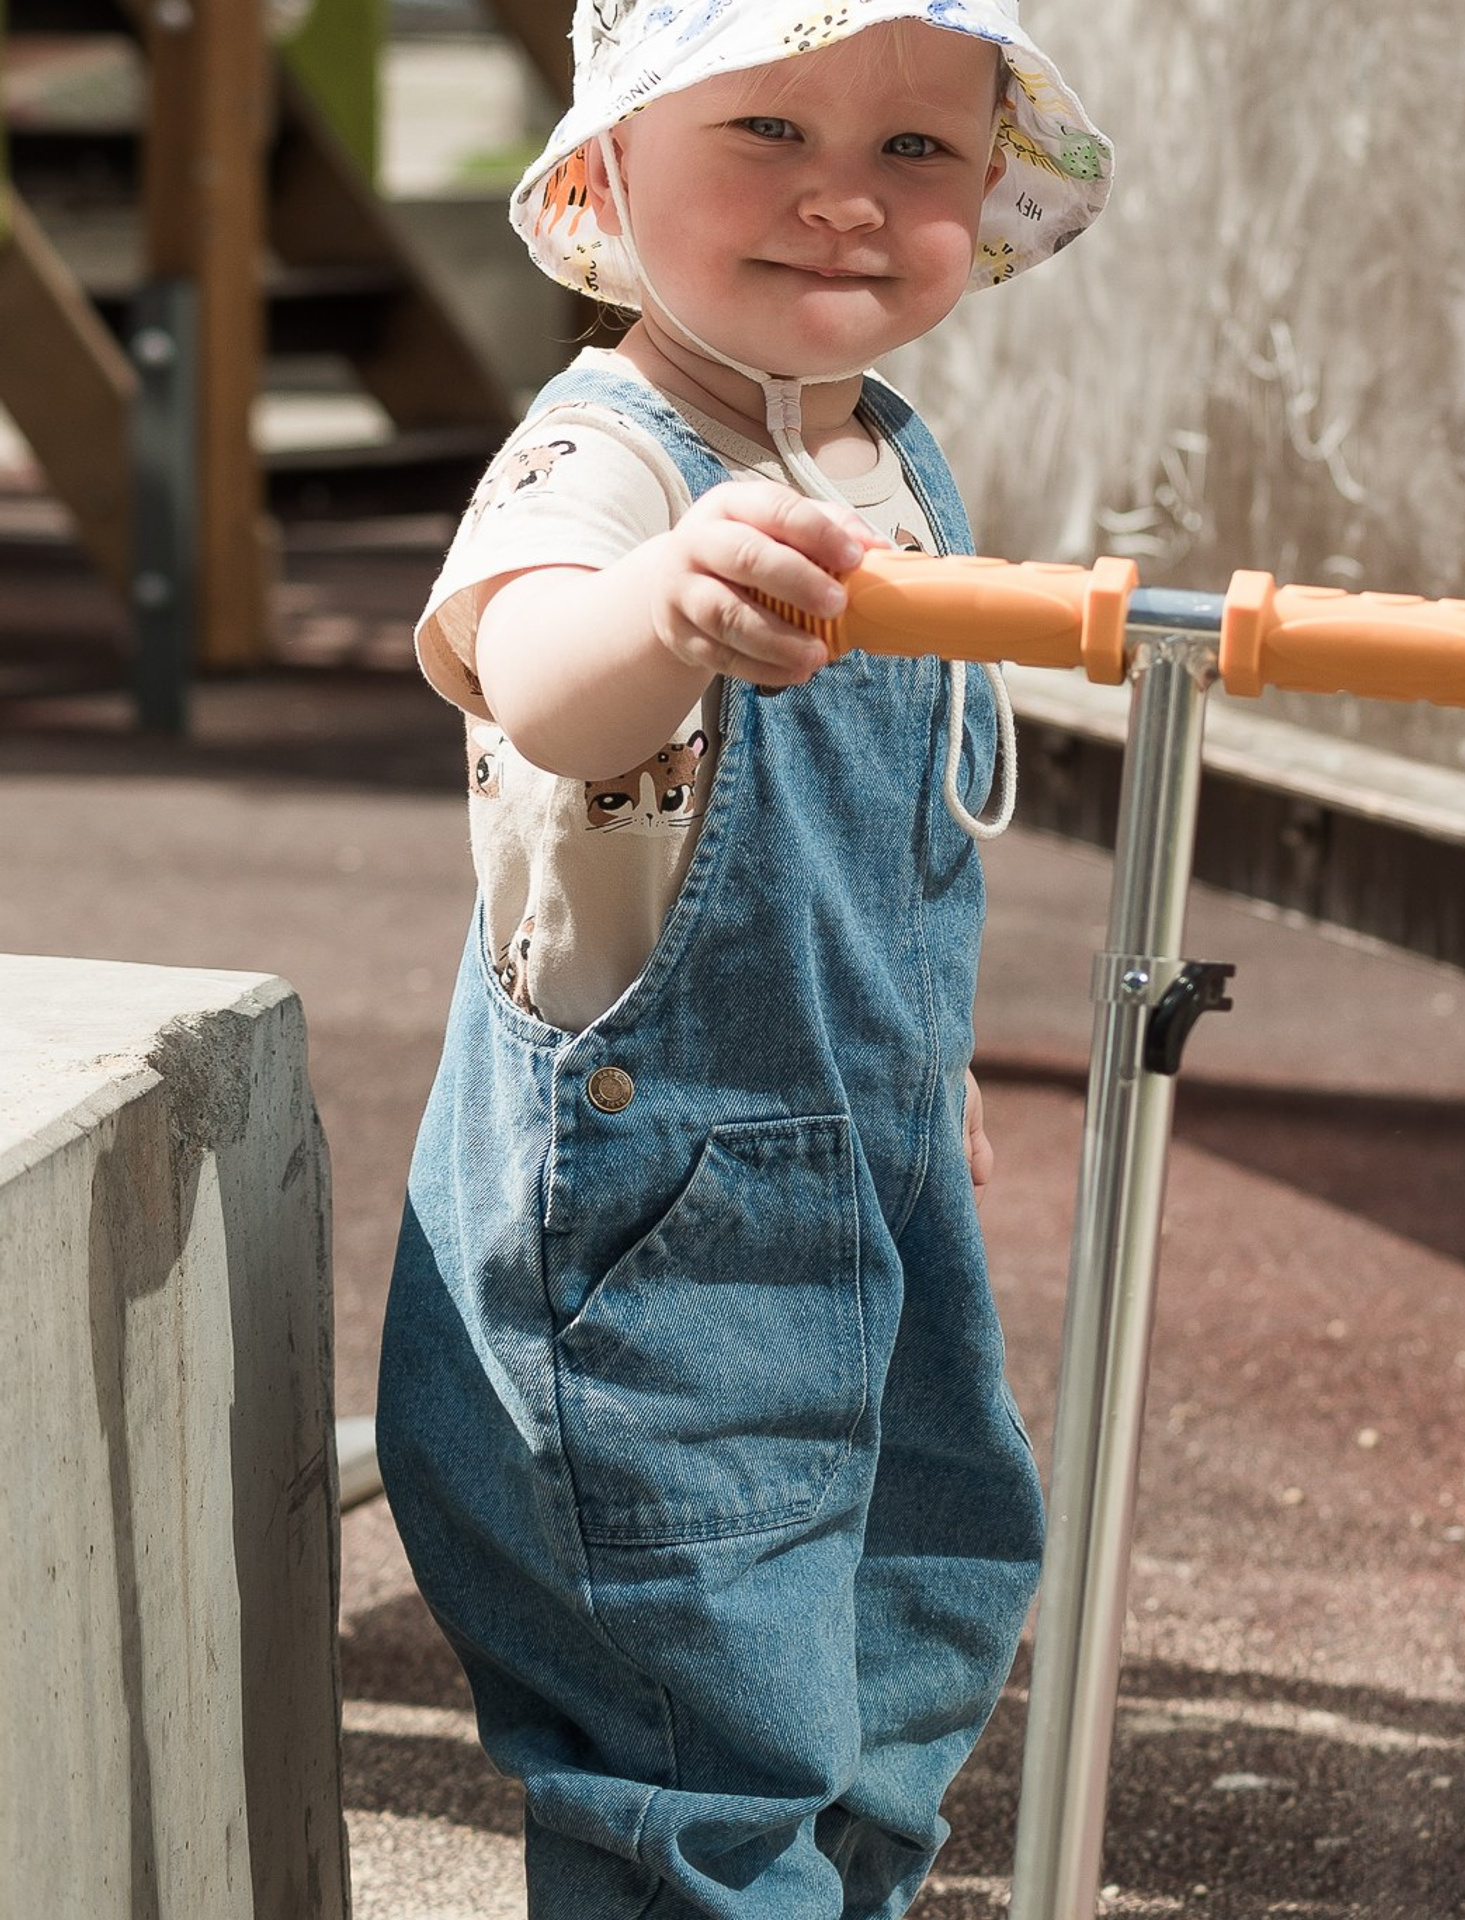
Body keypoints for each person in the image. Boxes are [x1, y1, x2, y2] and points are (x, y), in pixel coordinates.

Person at [375, 3, 1112, 1914]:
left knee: (905, 1636)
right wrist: (668, 608)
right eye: (770, 128)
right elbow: (534, 677)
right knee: (697, 1734)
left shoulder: (894, 460)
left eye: (918, 154)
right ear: (610, 166)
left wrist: (919, 1063)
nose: (846, 204)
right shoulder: (602, 462)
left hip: (866, 1180)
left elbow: (878, 852)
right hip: (644, 1236)